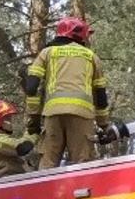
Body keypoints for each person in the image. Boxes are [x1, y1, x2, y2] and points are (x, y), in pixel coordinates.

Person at [23, 16, 113, 169]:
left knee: (48, 164)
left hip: (53, 115)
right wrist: (104, 125)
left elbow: (31, 88)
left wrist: (33, 119)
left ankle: (45, 193)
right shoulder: (91, 57)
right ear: (78, 34)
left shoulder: (47, 53)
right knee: (83, 166)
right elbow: (101, 96)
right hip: (82, 115)